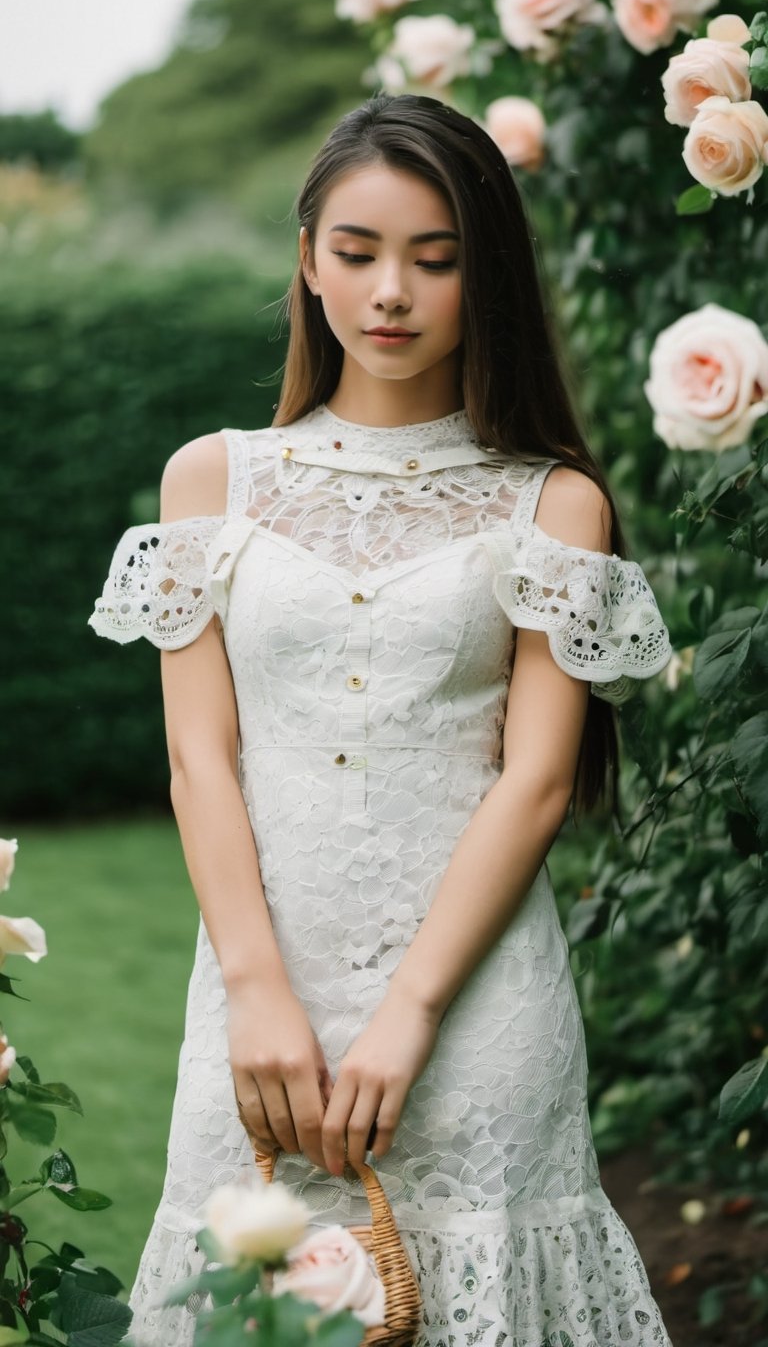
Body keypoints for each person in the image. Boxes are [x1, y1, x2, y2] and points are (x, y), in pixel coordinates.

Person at [89, 92, 674, 1346]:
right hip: (260, 994)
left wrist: (410, 1011)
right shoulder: (212, 480)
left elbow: (533, 782)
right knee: (243, 1301)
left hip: (475, 1005)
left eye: (437, 257)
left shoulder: (552, 503)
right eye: (356, 253)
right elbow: (201, 758)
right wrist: (255, 990)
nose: (391, 292)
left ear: (489, 274)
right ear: (307, 260)